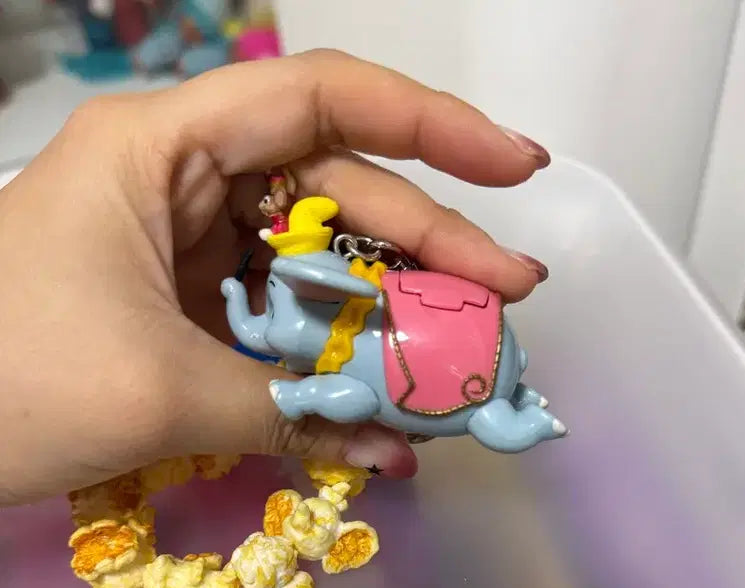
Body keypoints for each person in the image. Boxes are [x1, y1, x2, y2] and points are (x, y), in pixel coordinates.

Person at [0, 50, 550, 507]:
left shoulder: (345, 365)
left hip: (463, 374)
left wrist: (301, 397)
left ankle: (527, 419)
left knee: (484, 416)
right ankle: (523, 410)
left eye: (276, 314)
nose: (259, 329)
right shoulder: (354, 304)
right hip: (465, 333)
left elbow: (351, 401)